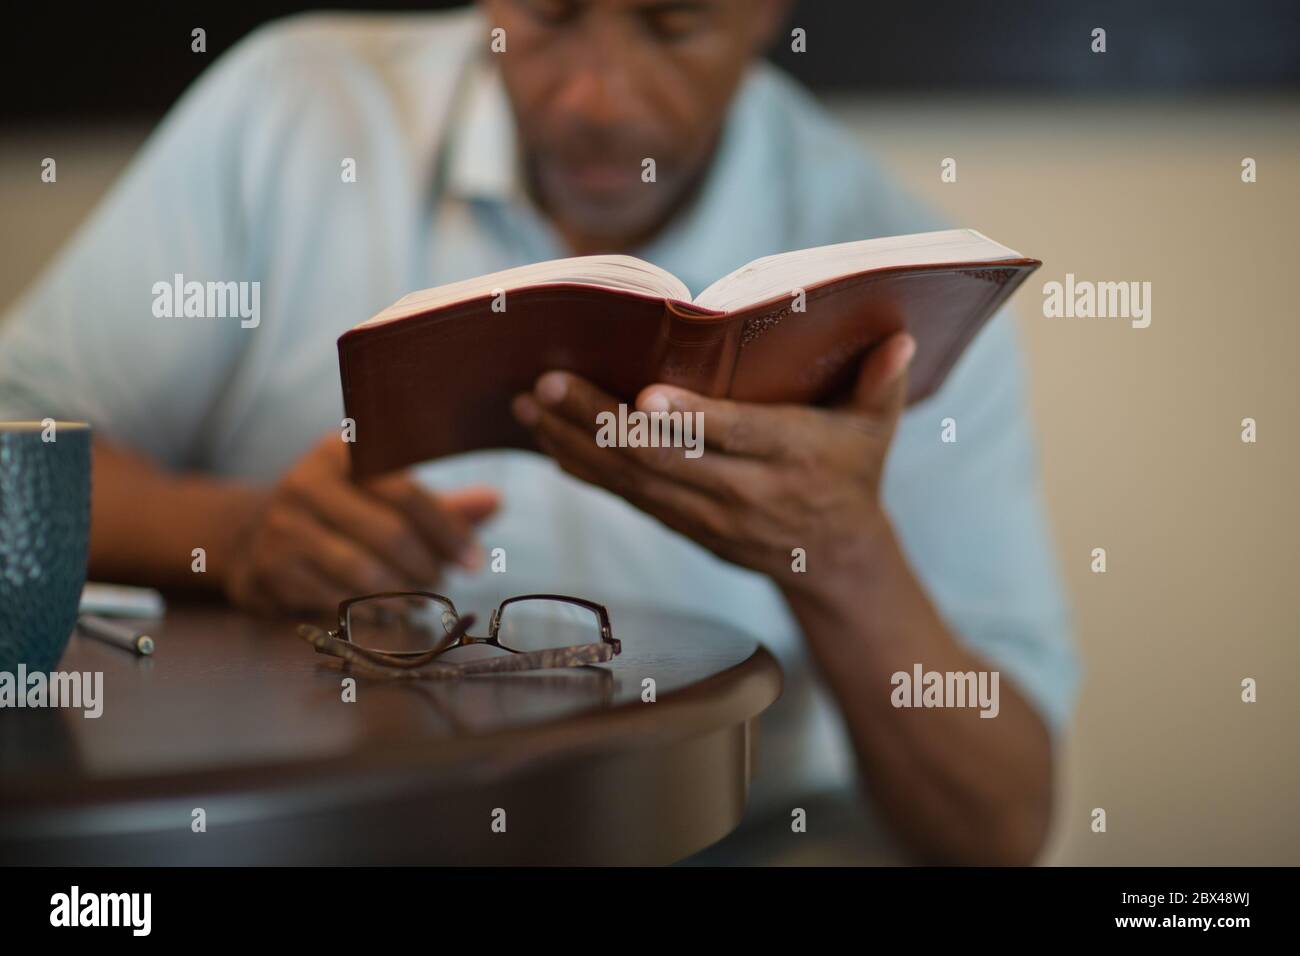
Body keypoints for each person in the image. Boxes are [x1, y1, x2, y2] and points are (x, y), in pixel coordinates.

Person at [0, 0, 1076, 864]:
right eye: (552, 15)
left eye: (671, 22)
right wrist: (232, 534)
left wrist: (839, 555)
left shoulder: (894, 278)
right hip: (295, 829)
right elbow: (12, 449)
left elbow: (999, 823)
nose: (596, 96)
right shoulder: (292, 112)